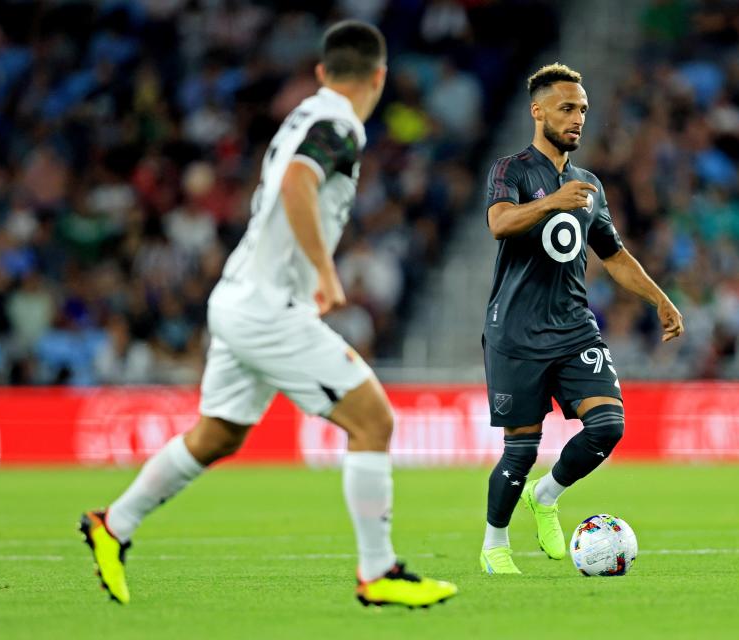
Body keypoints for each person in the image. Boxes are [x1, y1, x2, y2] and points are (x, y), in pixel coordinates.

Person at [79, 20, 458, 609]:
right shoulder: (339, 126)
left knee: (219, 434)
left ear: (321, 72)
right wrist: (327, 275)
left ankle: (114, 523)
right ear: (379, 76)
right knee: (374, 422)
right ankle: (378, 572)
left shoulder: (304, 115)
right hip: (265, 308)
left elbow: (290, 178)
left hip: (236, 297)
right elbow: (298, 182)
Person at [479, 63, 684, 574]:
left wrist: (659, 298)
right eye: (567, 108)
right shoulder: (511, 170)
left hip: (573, 328)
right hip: (517, 332)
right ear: (538, 110)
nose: (577, 119)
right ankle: (494, 546)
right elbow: (500, 224)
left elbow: (613, 255)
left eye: (584, 110)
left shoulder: (588, 184)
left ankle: (545, 496)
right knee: (520, 451)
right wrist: (551, 203)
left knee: (608, 426)